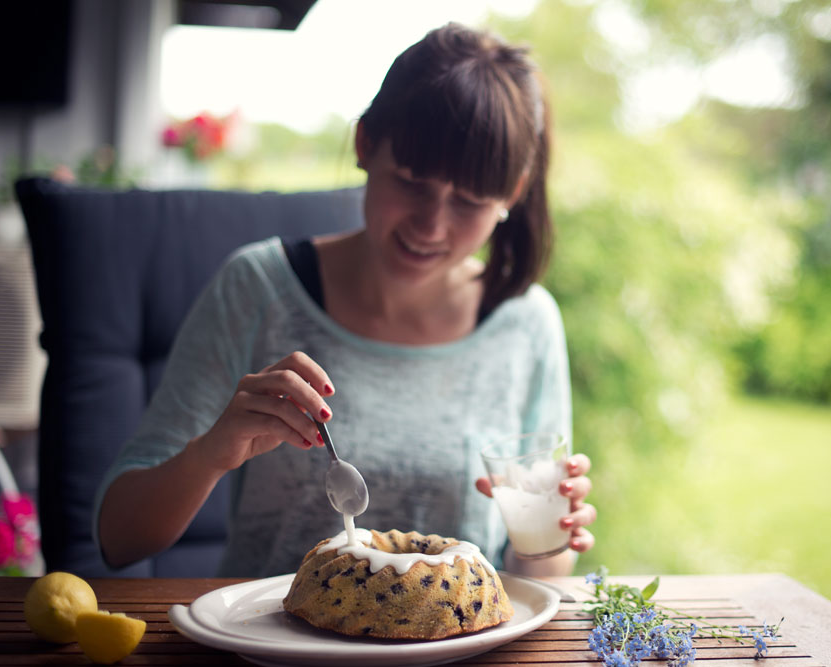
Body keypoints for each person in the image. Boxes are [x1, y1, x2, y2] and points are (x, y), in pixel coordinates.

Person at [95, 22, 596, 578]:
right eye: (410, 181)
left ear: (514, 193)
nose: (431, 226)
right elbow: (118, 539)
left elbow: (538, 580)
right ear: (364, 145)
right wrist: (213, 451)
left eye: (470, 201)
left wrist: (551, 538)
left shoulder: (525, 323)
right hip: (275, 649)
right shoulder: (260, 287)